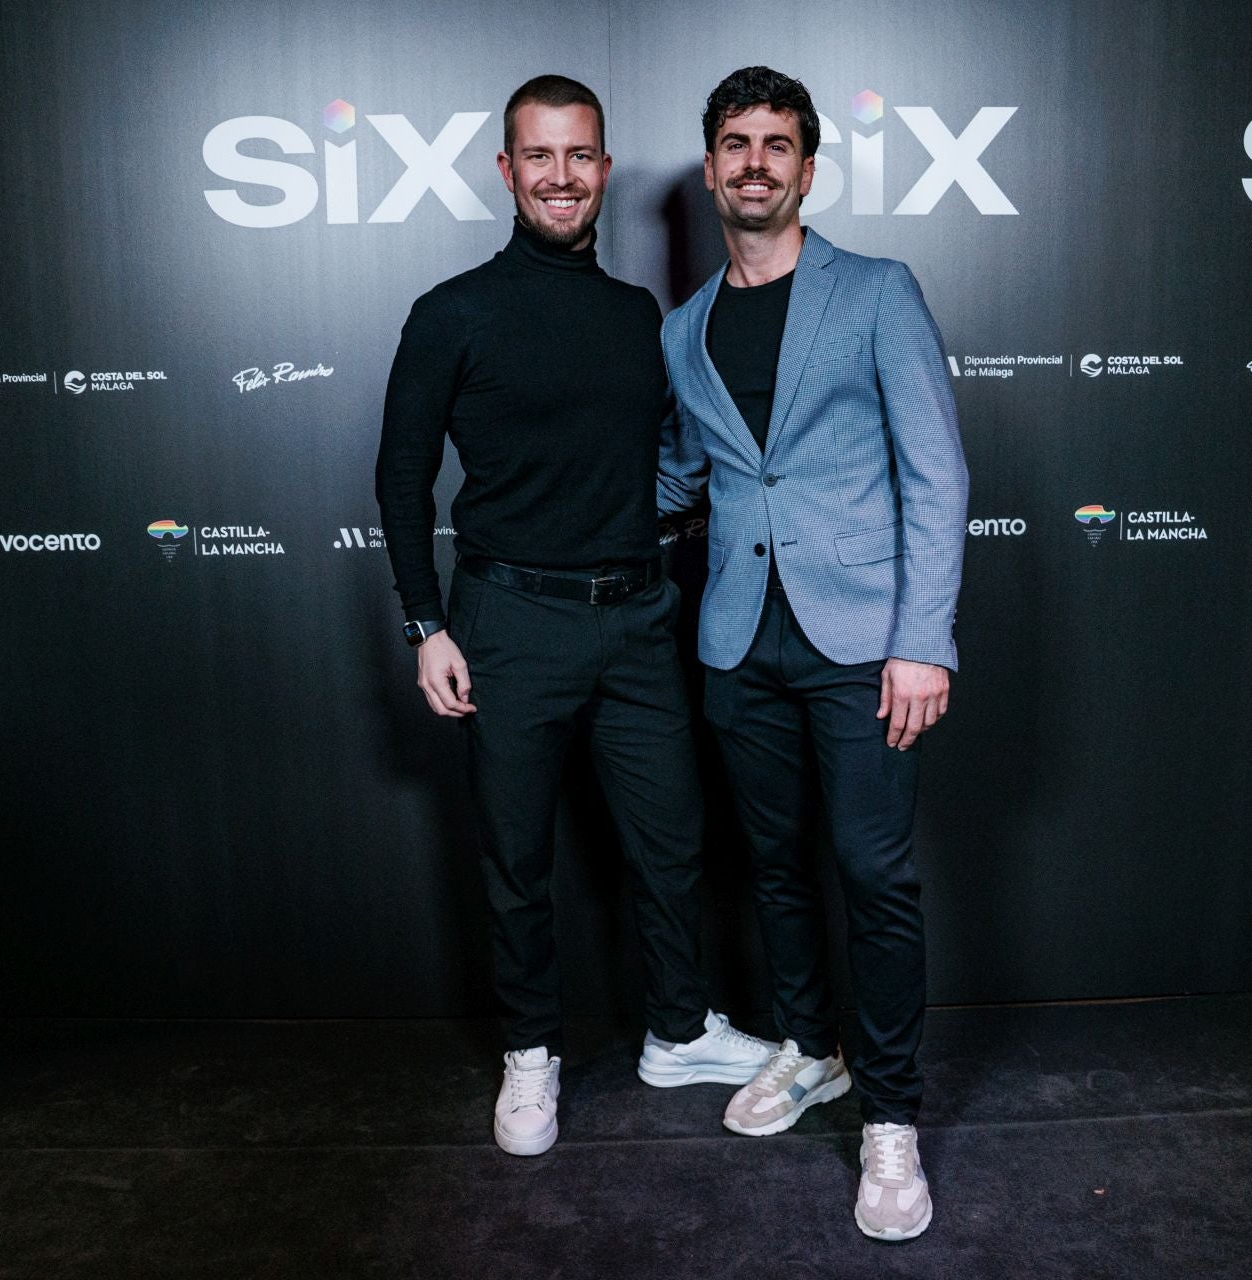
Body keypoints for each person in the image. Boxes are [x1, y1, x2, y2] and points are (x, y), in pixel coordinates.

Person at [374, 75, 775, 1159]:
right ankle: (530, 1051)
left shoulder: (637, 316)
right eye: (541, 156)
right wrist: (426, 625)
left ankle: (679, 1030)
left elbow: (669, 464)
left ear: (603, 168)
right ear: (509, 171)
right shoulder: (452, 312)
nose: (562, 176)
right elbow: (402, 478)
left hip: (638, 619)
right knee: (518, 857)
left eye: (581, 155)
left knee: (673, 843)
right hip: (509, 622)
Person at [657, 66, 967, 1240]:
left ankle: (889, 1115)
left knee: (873, 875)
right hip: (738, 640)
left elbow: (936, 471)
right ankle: (811, 1047)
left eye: (776, 144)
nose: (755, 163)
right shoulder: (684, 327)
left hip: (862, 641)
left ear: (807, 167)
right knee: (775, 866)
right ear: (710, 168)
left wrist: (922, 640)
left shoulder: (877, 290)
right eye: (736, 143)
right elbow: (686, 474)